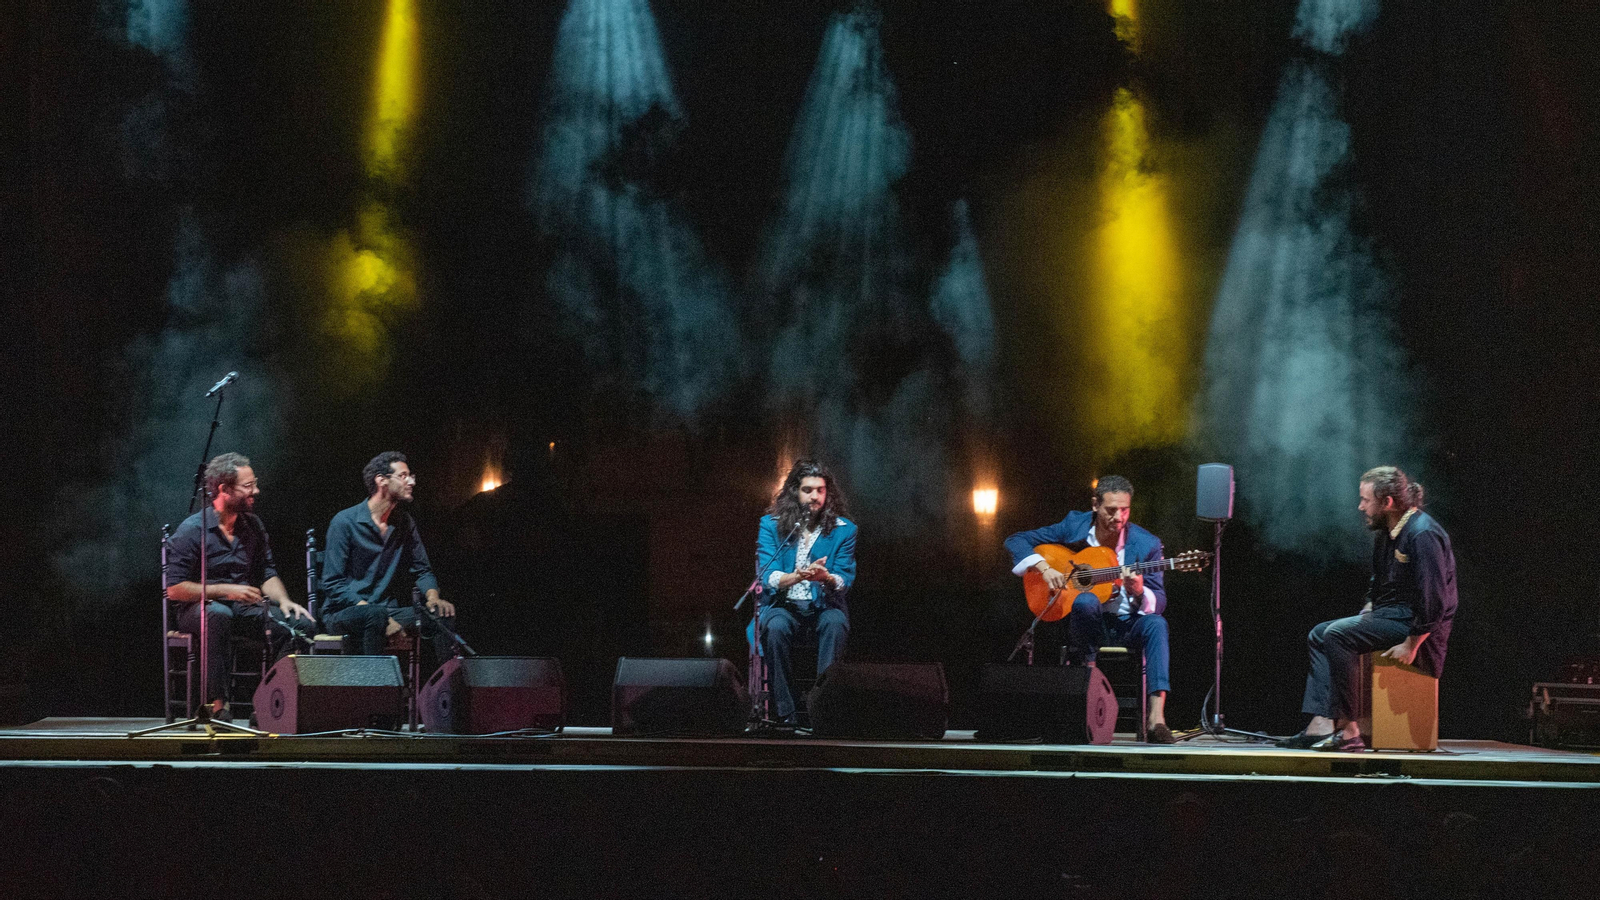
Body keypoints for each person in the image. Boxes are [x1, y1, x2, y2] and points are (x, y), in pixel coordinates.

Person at [1278, 466, 1457, 751]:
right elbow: (1380, 582)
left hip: (1416, 623)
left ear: (1387, 502)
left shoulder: (1422, 534)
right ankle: (1322, 723)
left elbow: (1437, 600)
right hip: (1391, 614)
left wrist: (1412, 643)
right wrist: (1368, 609)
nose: (1361, 506)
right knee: (1319, 633)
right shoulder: (1387, 532)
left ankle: (1349, 732)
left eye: (1366, 500)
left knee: (1337, 635)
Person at [1003, 475, 1177, 743]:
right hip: (1085, 626)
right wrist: (1044, 567)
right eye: (1111, 510)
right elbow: (1016, 540)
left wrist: (1139, 590)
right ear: (1095, 505)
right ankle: (1088, 689)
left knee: (1157, 624)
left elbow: (1160, 602)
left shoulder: (1146, 544)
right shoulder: (1074, 525)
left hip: (1126, 624)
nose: (1119, 517)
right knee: (1085, 600)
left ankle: (1156, 719)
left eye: (1125, 510)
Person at [166, 452, 315, 719]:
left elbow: (267, 573)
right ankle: (218, 706)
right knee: (217, 615)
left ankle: (271, 704)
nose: (255, 491)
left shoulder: (252, 525)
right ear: (223, 489)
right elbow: (174, 588)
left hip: (242, 607)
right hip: (198, 609)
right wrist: (226, 590)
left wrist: (285, 601)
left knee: (300, 625)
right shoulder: (192, 530)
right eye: (248, 486)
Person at [320, 451, 459, 666]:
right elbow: (332, 583)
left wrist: (432, 598)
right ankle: (376, 692)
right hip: (344, 614)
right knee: (374, 615)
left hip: (385, 610)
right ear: (381, 480)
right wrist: (375, 613)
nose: (411, 481)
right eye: (403, 476)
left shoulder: (404, 522)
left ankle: (445, 692)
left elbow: (422, 570)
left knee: (442, 615)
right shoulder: (345, 522)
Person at [752, 459, 857, 725]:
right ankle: (786, 714)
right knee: (774, 628)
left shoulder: (845, 530)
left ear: (828, 493)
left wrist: (827, 578)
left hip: (823, 606)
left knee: (835, 624)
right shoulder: (771, 525)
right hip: (783, 605)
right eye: (808, 490)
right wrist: (797, 575)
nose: (814, 496)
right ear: (794, 492)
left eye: (820, 490)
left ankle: (822, 710)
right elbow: (769, 575)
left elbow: (845, 579)